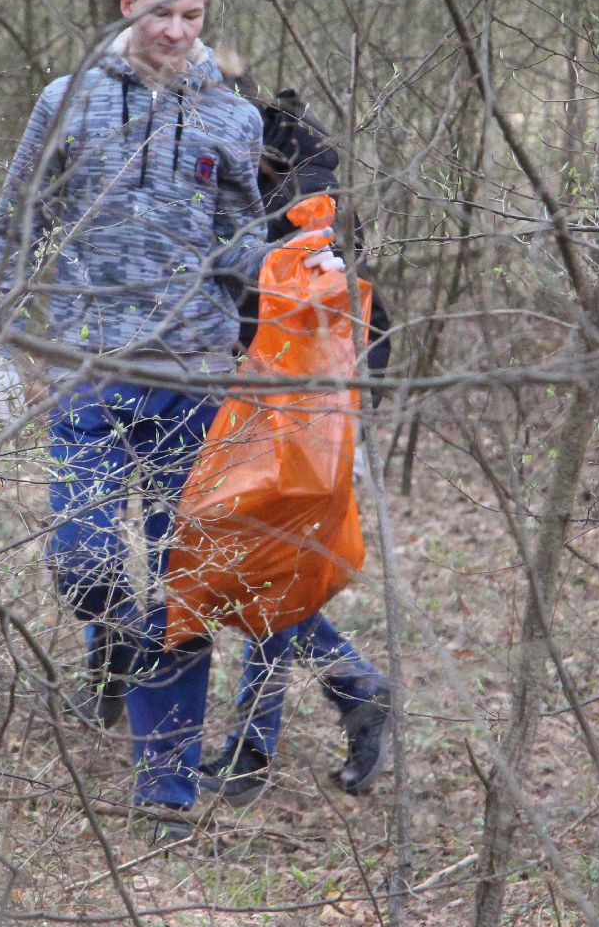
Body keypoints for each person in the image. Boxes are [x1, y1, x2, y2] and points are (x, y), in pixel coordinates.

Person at [0, 0, 343, 837]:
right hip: (92, 378)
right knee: (85, 561)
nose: (179, 31)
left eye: (194, 15)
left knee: (187, 585)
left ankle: (165, 791)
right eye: (162, 12)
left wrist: (303, 263)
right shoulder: (66, 102)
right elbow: (11, 228)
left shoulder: (235, 119)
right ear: (124, 4)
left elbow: (238, 249)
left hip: (197, 382)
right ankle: (112, 641)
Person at [197, 72, 394, 806]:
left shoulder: (304, 192)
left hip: (297, 400)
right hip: (270, 393)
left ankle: (285, 728)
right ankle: (306, 715)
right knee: (256, 562)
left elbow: (324, 302)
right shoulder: (277, 174)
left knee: (262, 562)